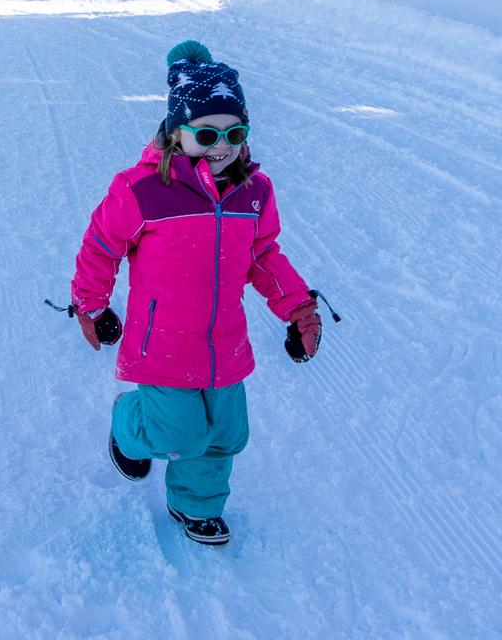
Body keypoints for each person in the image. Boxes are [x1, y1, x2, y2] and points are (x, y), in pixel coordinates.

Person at [67, 40, 321, 546]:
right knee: (177, 433)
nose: (221, 145)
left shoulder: (254, 191)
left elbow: (264, 256)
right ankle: (128, 421)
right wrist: (93, 304)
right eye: (206, 133)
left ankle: (196, 505)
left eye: (234, 132)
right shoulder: (142, 190)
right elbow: (100, 245)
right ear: (176, 131)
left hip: (224, 344)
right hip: (160, 343)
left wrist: (299, 309)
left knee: (225, 434)